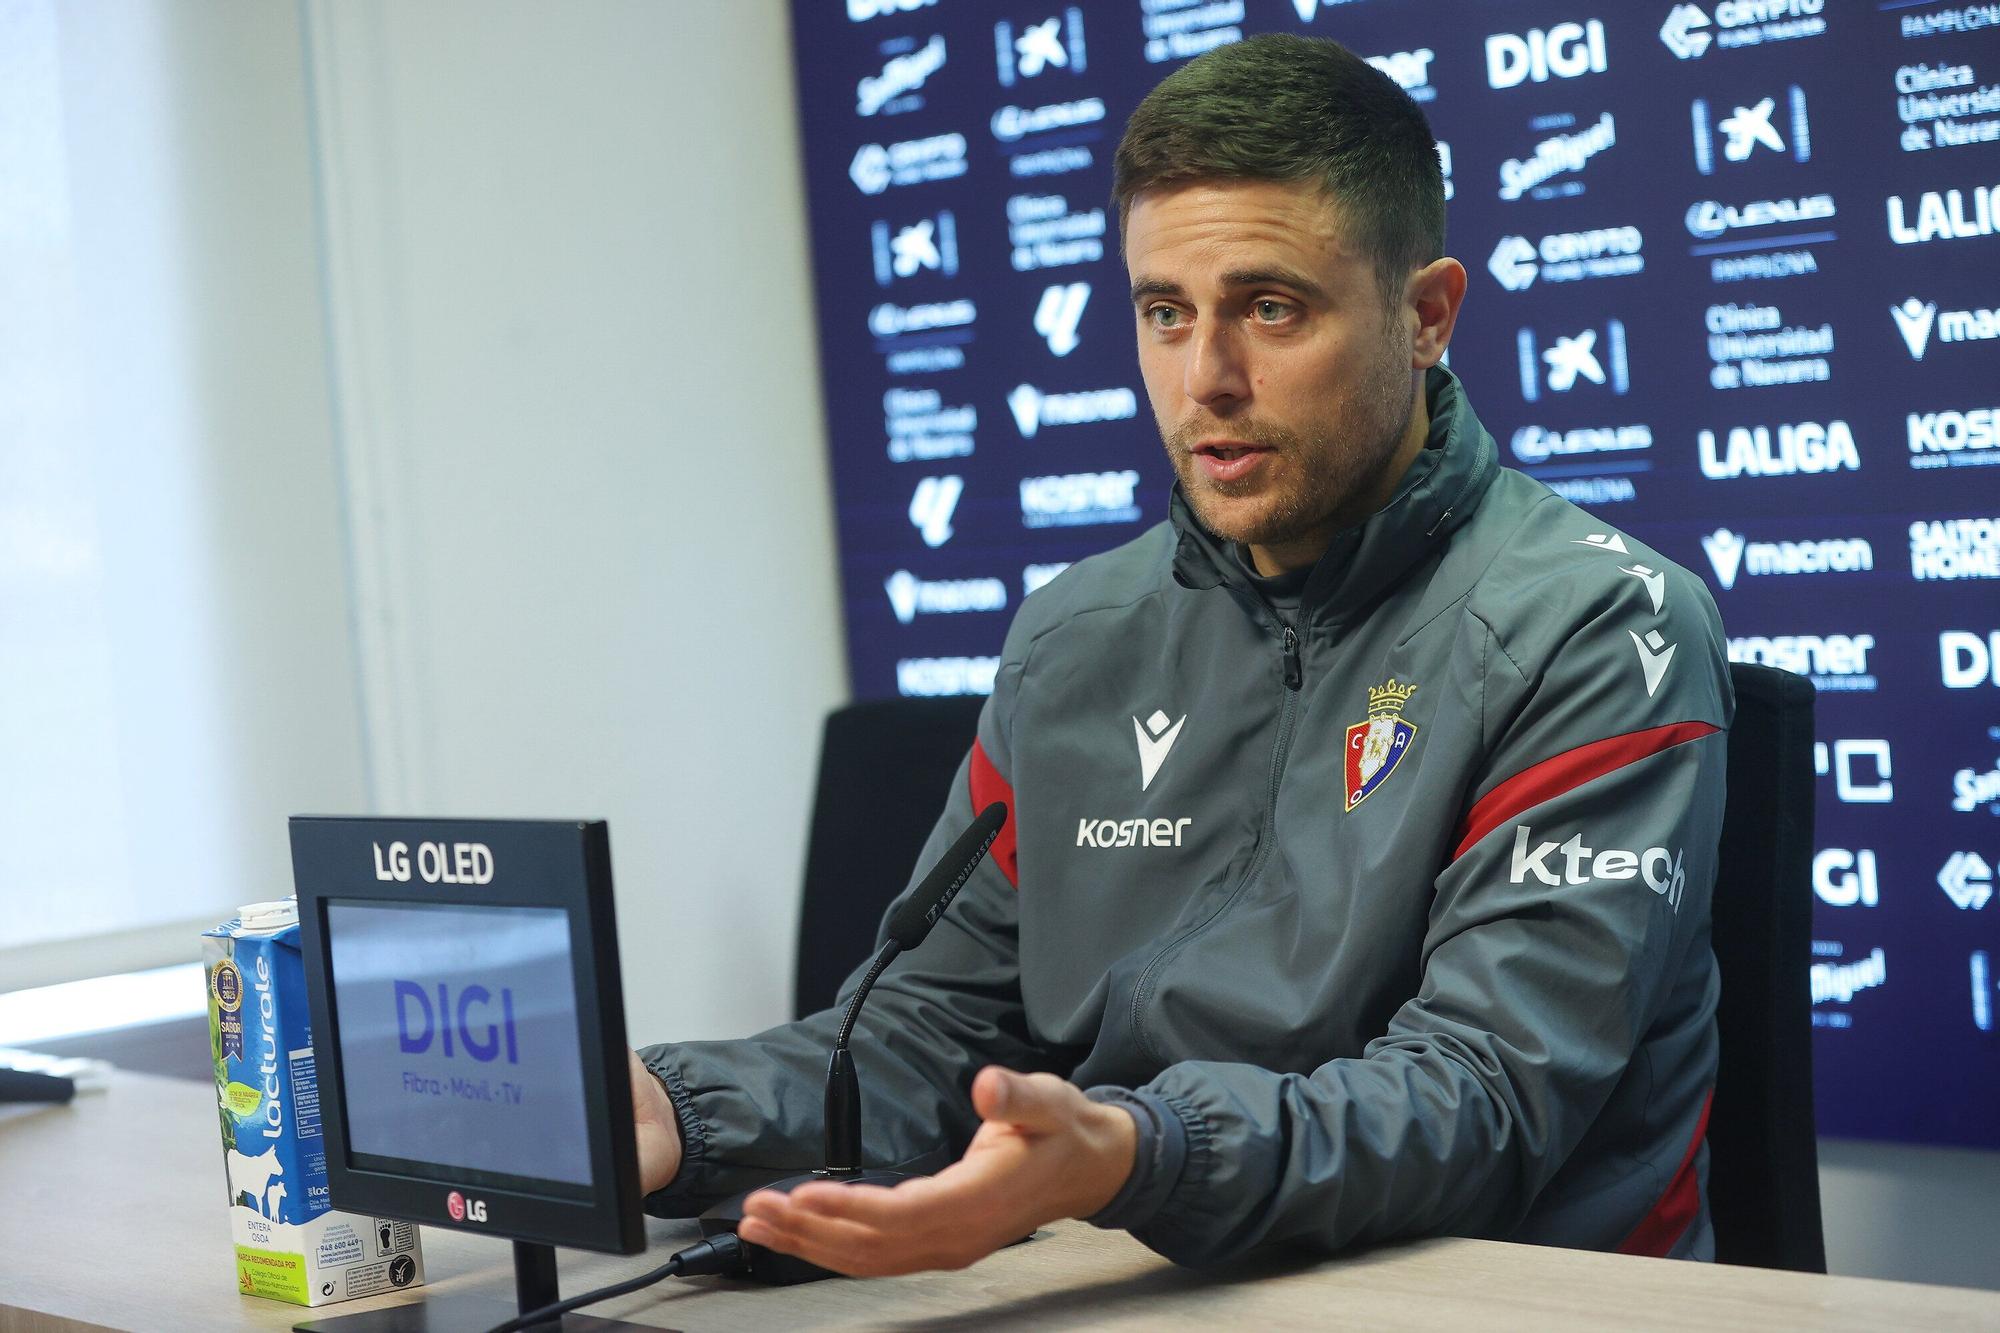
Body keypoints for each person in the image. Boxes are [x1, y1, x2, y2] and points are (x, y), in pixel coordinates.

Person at [630, 32, 1732, 1277]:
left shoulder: (1596, 621)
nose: (1204, 378)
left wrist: (1132, 1154)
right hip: (1145, 1271)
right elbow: (930, 1030)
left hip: (1493, 1294)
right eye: (1164, 312)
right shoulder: (1070, 639)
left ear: (1422, 315)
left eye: (1270, 308)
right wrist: (676, 1112)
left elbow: (1475, 1099)